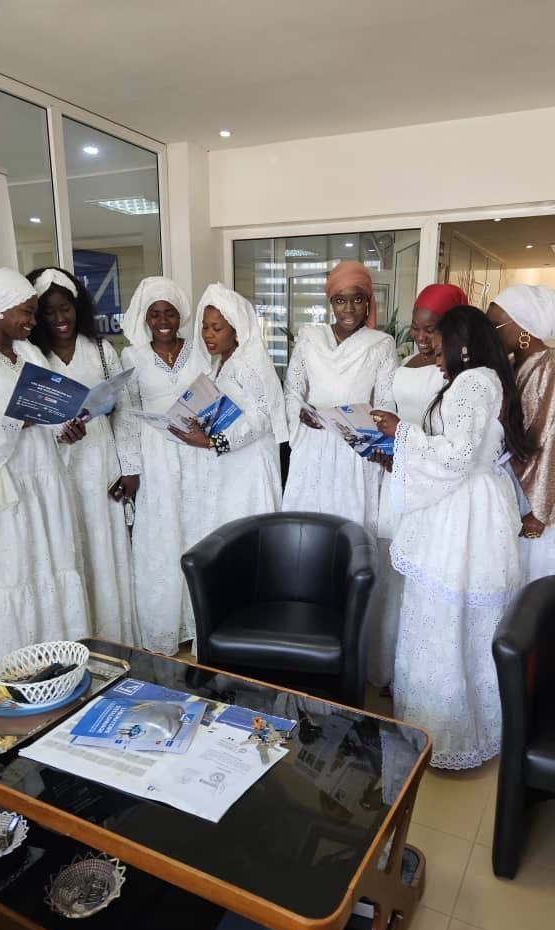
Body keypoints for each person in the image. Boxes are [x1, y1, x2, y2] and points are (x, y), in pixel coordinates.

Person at [372, 305, 530, 769]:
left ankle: (442, 735)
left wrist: (401, 433)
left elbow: (456, 457)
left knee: (441, 618)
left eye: (440, 349)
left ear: (462, 344)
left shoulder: (471, 382)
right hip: (478, 506)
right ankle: (468, 725)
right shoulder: (487, 380)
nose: (435, 358)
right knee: (464, 624)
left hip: (461, 515)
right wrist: (400, 447)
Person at [0, 268, 90, 695]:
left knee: (47, 569)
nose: (32, 321)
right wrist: (21, 415)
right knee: (9, 576)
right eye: (25, 312)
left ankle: (54, 676)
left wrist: (66, 429)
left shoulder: (28, 353)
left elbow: (49, 418)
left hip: (42, 482)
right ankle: (6, 686)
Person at [26, 267, 136, 643]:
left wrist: (130, 470)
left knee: (105, 551)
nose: (59, 319)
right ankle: (77, 640)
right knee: (70, 548)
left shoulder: (103, 350)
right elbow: (29, 420)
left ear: (78, 308)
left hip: (102, 463)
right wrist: (60, 434)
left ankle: (112, 641)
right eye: (48, 311)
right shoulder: (33, 356)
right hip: (59, 468)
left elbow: (126, 415)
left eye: (66, 308)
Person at [373, 284, 468, 690]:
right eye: (415, 328)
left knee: (420, 574)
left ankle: (417, 675)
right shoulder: (408, 360)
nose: (421, 338)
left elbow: (451, 441)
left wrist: (404, 444)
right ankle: (386, 665)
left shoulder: (460, 372)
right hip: (396, 475)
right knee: (390, 569)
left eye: (431, 330)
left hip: (431, 485)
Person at [119, 277, 209, 655]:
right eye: (154, 313)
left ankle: (198, 622)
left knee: (198, 529)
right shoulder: (132, 357)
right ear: (144, 317)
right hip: (155, 456)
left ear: (180, 315)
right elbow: (125, 415)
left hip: (197, 454)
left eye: (169, 312)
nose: (162, 320)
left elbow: (216, 396)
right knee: (162, 536)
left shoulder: (201, 350)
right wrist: (130, 466)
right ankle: (165, 628)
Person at [487, 284, 555, 585]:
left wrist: (542, 511)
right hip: (511, 491)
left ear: (524, 328)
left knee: (539, 582)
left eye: (495, 325)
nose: (490, 333)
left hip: (546, 501)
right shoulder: (512, 366)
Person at [282, 260, 397, 531]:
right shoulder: (310, 337)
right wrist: (299, 412)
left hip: (354, 448)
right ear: (330, 302)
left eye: (357, 299)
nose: (348, 309)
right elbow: (292, 390)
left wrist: (374, 443)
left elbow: (385, 402)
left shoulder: (381, 344)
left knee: (350, 528)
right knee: (307, 528)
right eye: (339, 300)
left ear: (368, 301)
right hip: (313, 445)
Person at [172, 283, 287, 525]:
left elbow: (263, 416)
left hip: (250, 466)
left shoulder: (248, 364)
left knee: (246, 531)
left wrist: (214, 441)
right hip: (229, 464)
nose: (208, 334)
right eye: (204, 327)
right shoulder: (219, 364)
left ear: (236, 330)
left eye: (216, 328)